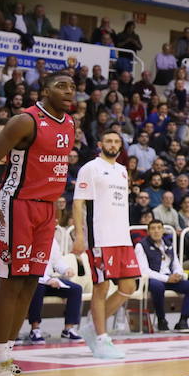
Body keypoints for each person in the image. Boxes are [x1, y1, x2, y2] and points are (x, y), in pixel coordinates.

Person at [0, 70, 76, 376]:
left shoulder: (70, 124)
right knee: (12, 281)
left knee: (32, 282)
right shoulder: (25, 121)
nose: (69, 91)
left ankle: (4, 355)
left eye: (73, 87)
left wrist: (56, 203)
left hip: (45, 209)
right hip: (15, 205)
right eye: (61, 86)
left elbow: (53, 168)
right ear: (45, 91)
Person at [72, 130, 140, 359]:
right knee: (101, 288)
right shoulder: (89, 168)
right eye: (109, 140)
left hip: (122, 238)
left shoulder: (122, 170)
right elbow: (78, 204)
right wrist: (80, 236)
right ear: (101, 143)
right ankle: (102, 338)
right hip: (100, 237)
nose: (112, 144)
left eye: (117, 141)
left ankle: (93, 327)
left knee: (129, 287)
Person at [135, 220, 189, 333]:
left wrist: (178, 274)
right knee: (158, 286)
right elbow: (144, 270)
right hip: (151, 279)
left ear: (163, 230)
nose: (156, 231)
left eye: (159, 228)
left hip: (169, 278)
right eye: (153, 228)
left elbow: (176, 264)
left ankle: (183, 321)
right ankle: (161, 320)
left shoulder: (168, 244)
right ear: (148, 232)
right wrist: (167, 278)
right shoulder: (141, 246)